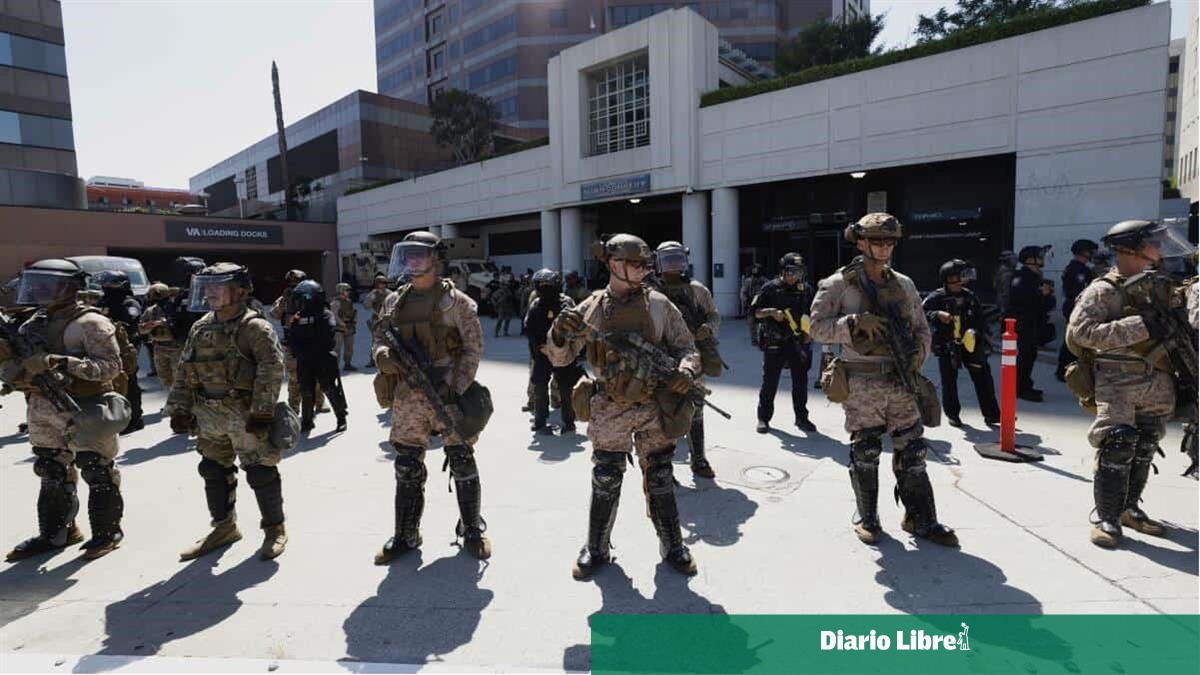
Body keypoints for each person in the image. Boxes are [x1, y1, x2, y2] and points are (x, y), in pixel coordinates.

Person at [545, 234, 701, 579]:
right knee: (606, 475)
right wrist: (557, 333)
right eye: (636, 264)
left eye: (647, 264)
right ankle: (596, 547)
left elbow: (687, 348)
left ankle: (672, 544)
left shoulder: (659, 304)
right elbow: (561, 358)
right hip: (609, 404)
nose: (645, 270)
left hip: (653, 404)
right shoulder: (591, 307)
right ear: (614, 264)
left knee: (660, 473)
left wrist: (686, 371)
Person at [810, 213, 958, 548]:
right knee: (866, 450)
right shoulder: (838, 284)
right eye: (877, 240)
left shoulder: (903, 284)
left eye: (890, 241)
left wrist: (917, 357)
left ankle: (921, 519)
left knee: (913, 450)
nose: (885, 247)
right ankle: (868, 519)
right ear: (861, 242)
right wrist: (852, 323)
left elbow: (921, 328)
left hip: (900, 379)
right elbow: (815, 328)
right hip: (861, 382)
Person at [1066, 220, 1194, 548]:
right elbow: (1081, 334)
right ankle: (1106, 517)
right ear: (1131, 248)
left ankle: (1129, 509)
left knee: (1146, 445)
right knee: (1118, 443)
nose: (1160, 248)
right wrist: (1141, 325)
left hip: (1158, 382)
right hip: (1118, 381)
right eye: (1153, 242)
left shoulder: (1163, 286)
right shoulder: (1104, 290)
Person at [371, 231, 491, 563]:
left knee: (461, 459)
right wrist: (382, 355)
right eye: (408, 255)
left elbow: (473, 349)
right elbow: (380, 337)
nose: (412, 262)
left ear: (436, 259)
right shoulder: (395, 301)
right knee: (407, 464)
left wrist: (456, 387)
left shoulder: (456, 302)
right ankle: (406, 534)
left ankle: (472, 530)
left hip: (446, 390)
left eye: (419, 255)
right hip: (409, 393)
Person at [0, 259, 127, 561]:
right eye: (35, 283)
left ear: (70, 288)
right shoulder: (32, 323)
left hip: (85, 406)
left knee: (96, 468)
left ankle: (107, 534)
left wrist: (60, 362)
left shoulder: (91, 322)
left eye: (48, 284)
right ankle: (57, 533)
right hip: (42, 407)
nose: (39, 290)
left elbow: (111, 367)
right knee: (51, 469)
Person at [167, 263, 288, 561]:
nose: (210, 293)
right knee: (212, 470)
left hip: (244, 415)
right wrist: (179, 407)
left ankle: (275, 529)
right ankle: (224, 528)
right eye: (207, 287)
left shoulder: (254, 327)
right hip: (208, 414)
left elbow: (271, 371)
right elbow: (184, 369)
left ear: (240, 291)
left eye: (218, 287)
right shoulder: (200, 327)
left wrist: (261, 414)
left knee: (260, 472)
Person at [650, 241, 723, 477]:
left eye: (677, 260)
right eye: (667, 260)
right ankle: (663, 467)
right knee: (660, 411)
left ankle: (698, 459)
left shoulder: (697, 290)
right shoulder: (649, 292)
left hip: (692, 358)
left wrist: (708, 329)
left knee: (696, 408)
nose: (672, 266)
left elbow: (713, 315)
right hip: (660, 359)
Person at [923, 259, 999, 427]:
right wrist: (937, 314)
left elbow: (981, 318)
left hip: (971, 345)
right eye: (960, 277)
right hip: (947, 346)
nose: (963, 281)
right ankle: (953, 415)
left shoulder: (969, 296)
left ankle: (992, 414)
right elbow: (922, 312)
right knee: (949, 382)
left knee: (984, 378)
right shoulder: (937, 297)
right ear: (949, 278)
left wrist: (986, 336)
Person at [751, 253, 816, 434]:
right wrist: (771, 312)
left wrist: (809, 335)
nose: (795, 276)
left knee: (801, 382)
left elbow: (813, 314)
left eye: (799, 272)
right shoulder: (770, 288)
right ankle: (763, 418)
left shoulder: (805, 289)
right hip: (775, 342)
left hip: (798, 341)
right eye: (791, 271)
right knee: (770, 382)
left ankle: (802, 418)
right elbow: (755, 312)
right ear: (783, 271)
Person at [524, 268, 584, 434]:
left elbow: (577, 327)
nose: (545, 289)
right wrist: (540, 348)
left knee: (566, 388)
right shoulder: (536, 304)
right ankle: (540, 421)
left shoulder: (566, 303)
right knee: (540, 387)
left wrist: (566, 349)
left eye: (548, 286)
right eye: (542, 286)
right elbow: (529, 328)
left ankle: (569, 422)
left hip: (563, 354)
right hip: (542, 353)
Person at [288, 280, 348, 433]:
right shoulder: (297, 317)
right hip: (304, 359)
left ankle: (341, 418)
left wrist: (307, 343)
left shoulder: (325, 314)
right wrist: (299, 349)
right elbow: (292, 336)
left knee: (330, 388)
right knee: (306, 390)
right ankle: (307, 421)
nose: (299, 303)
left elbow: (327, 336)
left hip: (322, 357)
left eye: (302, 299)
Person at [93, 270, 143, 435]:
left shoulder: (130, 303)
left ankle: (135, 419)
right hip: (106, 347)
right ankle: (116, 417)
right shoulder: (103, 302)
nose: (106, 287)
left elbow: (132, 323)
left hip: (125, 347)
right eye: (105, 284)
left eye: (111, 283)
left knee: (129, 382)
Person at [270, 269, 325, 414]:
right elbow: (274, 314)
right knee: (294, 378)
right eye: (291, 283)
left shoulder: (313, 296)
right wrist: (284, 302)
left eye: (297, 283)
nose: (294, 286)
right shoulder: (285, 298)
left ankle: (319, 402)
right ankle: (294, 407)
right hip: (292, 344)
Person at [1009, 245, 1055, 402]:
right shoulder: (1022, 277)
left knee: (1030, 355)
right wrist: (1042, 294)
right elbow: (1020, 301)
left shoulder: (1035, 276)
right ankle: (1020, 388)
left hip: (1034, 321)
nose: (1043, 258)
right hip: (1024, 322)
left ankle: (1025, 385)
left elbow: (1046, 303)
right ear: (1030, 259)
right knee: (1025, 356)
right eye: (1039, 256)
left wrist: (1046, 296)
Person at [1056, 239, 1098, 381]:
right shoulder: (1078, 270)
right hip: (1076, 308)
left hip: (1073, 307)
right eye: (1091, 251)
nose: (1092, 254)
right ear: (1084, 252)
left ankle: (1066, 370)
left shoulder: (1075, 267)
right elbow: (1079, 292)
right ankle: (1064, 370)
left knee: (1073, 339)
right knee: (1073, 341)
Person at [138, 282, 185, 393]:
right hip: (159, 347)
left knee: (179, 378)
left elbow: (182, 325)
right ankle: (171, 398)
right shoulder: (151, 311)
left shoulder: (175, 308)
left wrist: (166, 323)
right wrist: (151, 325)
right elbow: (141, 329)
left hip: (176, 347)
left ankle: (179, 400)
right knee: (164, 377)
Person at [363, 273, 391, 367]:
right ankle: (373, 360)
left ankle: (388, 359)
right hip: (376, 319)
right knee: (375, 340)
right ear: (377, 283)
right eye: (381, 283)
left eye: (384, 283)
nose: (383, 285)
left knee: (389, 340)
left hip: (387, 318)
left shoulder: (389, 293)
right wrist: (371, 299)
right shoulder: (373, 293)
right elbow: (366, 306)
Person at [330, 282, 358, 371]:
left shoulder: (349, 301)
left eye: (349, 290)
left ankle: (348, 364)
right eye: (347, 290)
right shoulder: (335, 302)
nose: (348, 292)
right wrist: (342, 323)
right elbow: (334, 315)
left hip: (349, 327)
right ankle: (334, 367)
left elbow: (353, 312)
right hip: (339, 328)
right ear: (341, 291)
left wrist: (354, 321)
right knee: (337, 349)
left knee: (349, 348)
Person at [992, 250, 1017, 321]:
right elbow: (1006, 293)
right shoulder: (1007, 274)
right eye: (1014, 259)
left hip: (1002, 304)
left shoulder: (1001, 271)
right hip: (1006, 306)